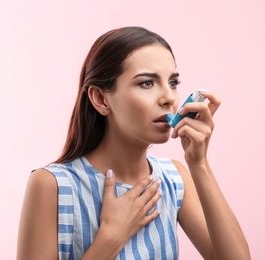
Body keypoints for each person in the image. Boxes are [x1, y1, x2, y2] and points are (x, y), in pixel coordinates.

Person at [17, 26, 250, 260]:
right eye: (147, 83)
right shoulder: (52, 185)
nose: (169, 97)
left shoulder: (174, 179)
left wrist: (198, 163)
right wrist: (111, 238)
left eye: (173, 82)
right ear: (100, 99)